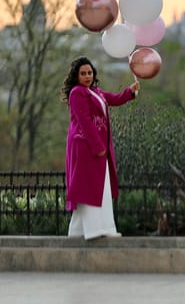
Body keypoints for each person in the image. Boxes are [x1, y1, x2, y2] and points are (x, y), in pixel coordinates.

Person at [61, 56, 140, 240]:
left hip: (96, 146)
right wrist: (97, 146)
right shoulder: (77, 93)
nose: (87, 76)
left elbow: (114, 99)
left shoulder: (95, 92)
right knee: (90, 187)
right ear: (76, 76)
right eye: (83, 73)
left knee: (98, 186)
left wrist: (130, 91)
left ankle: (79, 231)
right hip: (85, 146)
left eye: (89, 72)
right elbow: (84, 121)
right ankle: (95, 230)